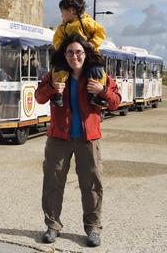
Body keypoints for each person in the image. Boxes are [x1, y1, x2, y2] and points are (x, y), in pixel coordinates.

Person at [35, 33, 121, 247]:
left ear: (86, 54)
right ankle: (52, 226)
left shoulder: (98, 75)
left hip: (88, 139)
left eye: (79, 52)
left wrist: (103, 91)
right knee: (53, 182)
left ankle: (93, 228)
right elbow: (38, 97)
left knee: (92, 184)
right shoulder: (55, 75)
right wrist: (52, 88)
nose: (75, 56)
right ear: (64, 55)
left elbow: (116, 102)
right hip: (58, 139)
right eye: (70, 52)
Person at [51, 0, 108, 107]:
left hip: (90, 56)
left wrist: (92, 43)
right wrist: (63, 48)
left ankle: (96, 95)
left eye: (63, 13)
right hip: (69, 57)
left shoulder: (88, 22)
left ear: (71, 11)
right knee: (59, 70)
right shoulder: (63, 27)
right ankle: (58, 94)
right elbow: (57, 39)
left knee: (97, 71)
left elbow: (100, 33)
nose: (62, 16)